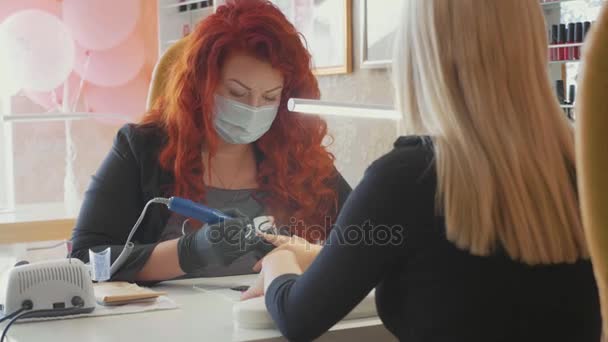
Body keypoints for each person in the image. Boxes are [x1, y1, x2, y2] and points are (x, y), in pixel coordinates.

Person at [244, 0, 601, 341]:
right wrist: (325, 257)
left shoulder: (408, 178)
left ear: (420, 51)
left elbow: (297, 318)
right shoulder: (581, 168)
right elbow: (464, 268)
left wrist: (281, 261)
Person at [70, 0, 351, 283]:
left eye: (269, 98)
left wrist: (309, 255)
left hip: (275, 322)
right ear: (202, 86)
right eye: (237, 93)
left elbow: (374, 239)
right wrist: (189, 252)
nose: (253, 108)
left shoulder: (297, 154)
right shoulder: (141, 148)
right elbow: (85, 258)